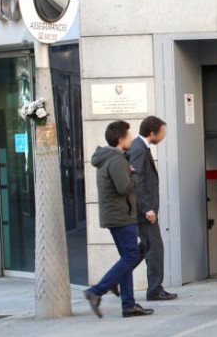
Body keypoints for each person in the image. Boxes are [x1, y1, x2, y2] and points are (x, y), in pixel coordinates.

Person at [84, 121, 153, 318]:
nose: (132, 139)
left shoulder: (110, 158)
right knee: (131, 256)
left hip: (117, 215)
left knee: (129, 256)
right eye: (129, 136)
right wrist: (134, 174)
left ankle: (129, 305)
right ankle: (97, 290)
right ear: (121, 139)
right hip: (121, 216)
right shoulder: (116, 160)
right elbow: (124, 188)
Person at [128, 116, 177, 301]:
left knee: (144, 248)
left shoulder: (140, 147)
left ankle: (114, 279)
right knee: (155, 248)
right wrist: (147, 208)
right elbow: (137, 181)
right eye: (162, 132)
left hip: (142, 209)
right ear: (152, 132)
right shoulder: (139, 149)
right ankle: (155, 290)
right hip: (144, 211)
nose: (164, 136)